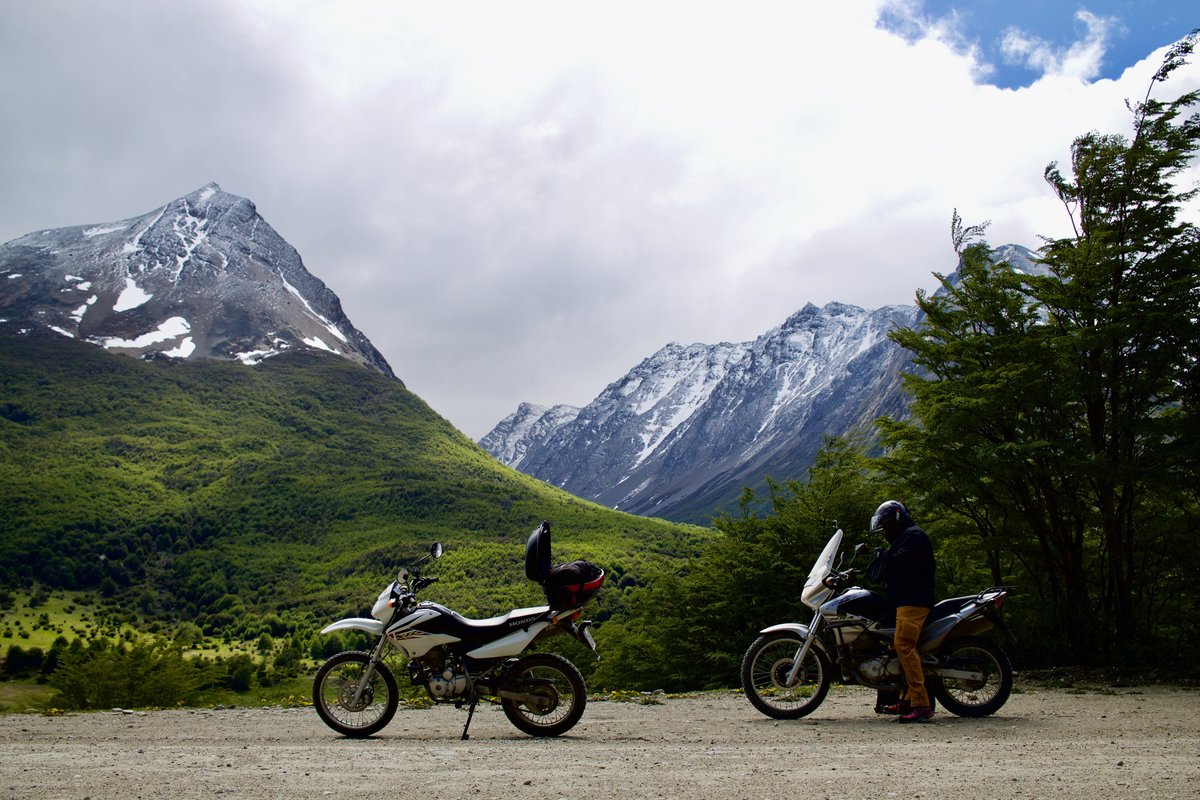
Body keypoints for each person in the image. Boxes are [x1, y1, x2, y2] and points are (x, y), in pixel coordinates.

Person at [869, 500, 936, 723]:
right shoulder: (904, 536)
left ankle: (921, 704)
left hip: (914, 601)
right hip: (903, 600)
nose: (885, 530)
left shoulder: (914, 535)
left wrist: (884, 555)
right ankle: (904, 699)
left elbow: (901, 561)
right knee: (892, 646)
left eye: (886, 525)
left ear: (896, 518)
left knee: (904, 645)